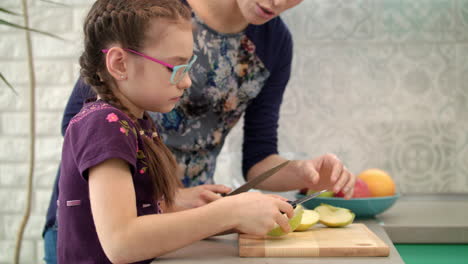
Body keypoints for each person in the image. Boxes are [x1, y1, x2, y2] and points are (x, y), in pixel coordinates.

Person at [45, 0, 356, 262]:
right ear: (120, 64)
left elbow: (258, 154)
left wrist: (295, 177)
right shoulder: (106, 121)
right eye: (176, 68)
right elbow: (121, 241)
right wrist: (222, 211)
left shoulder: (140, 122)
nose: (187, 82)